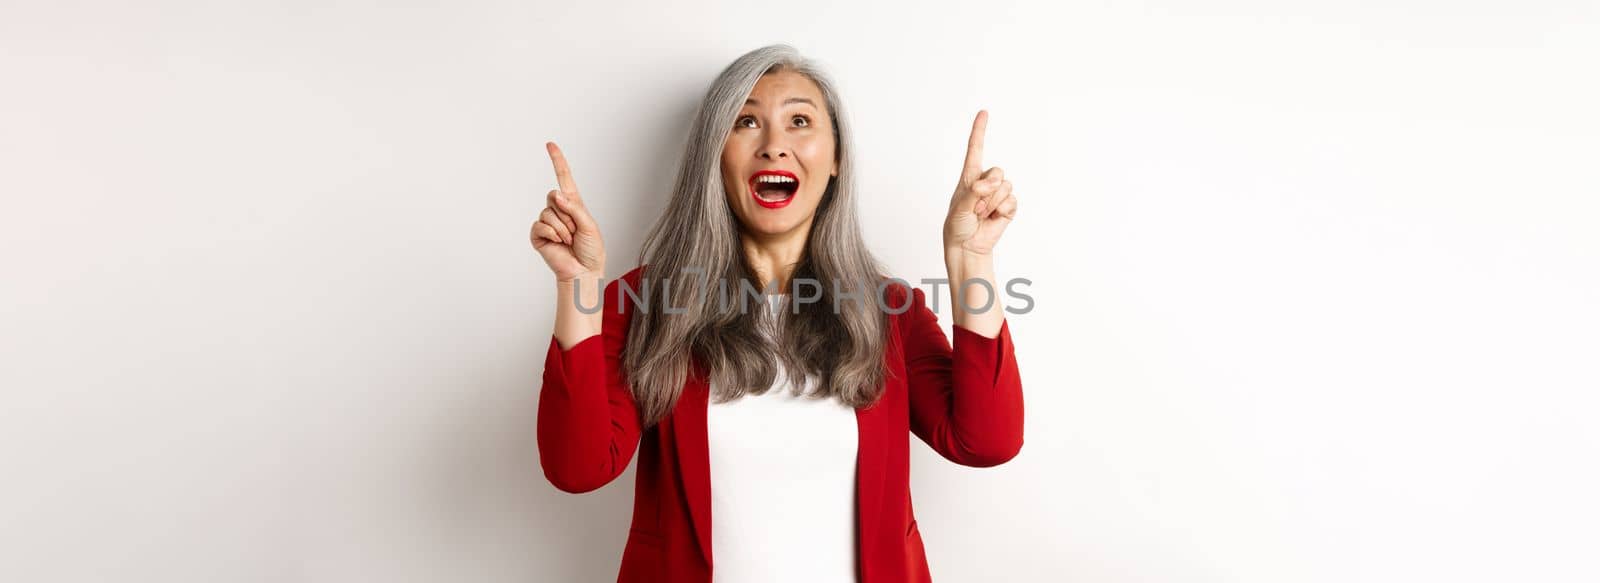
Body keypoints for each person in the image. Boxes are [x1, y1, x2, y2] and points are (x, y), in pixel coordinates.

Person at [529, 44, 1023, 583]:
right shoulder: (646, 303)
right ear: (715, 155)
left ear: (835, 159)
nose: (773, 147)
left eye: (799, 121)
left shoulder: (890, 312)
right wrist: (577, 287)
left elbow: (986, 441)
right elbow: (578, 468)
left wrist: (971, 260)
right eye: (746, 122)